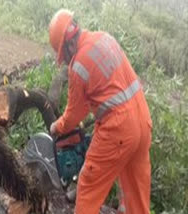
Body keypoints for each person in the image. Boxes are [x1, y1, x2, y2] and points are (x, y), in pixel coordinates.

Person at [49, 9, 152, 214]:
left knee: (87, 185)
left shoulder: (78, 66)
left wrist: (56, 127)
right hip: (142, 120)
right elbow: (109, 88)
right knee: (136, 197)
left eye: (64, 54)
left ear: (68, 44)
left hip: (119, 128)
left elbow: (74, 115)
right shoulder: (103, 38)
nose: (67, 59)